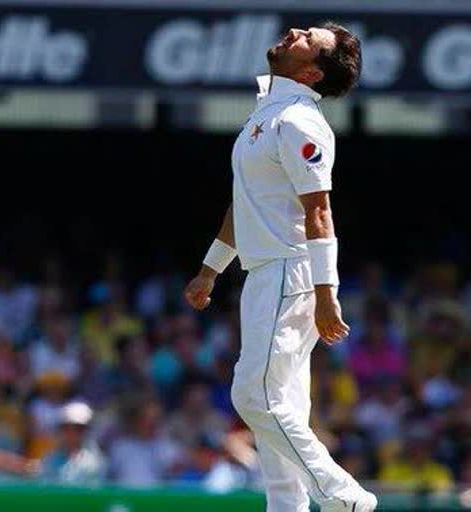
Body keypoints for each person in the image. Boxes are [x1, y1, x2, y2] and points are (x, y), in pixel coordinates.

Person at [183, 23, 377, 511]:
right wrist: (211, 269)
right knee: (280, 406)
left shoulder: (299, 121)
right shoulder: (266, 113)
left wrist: (325, 292)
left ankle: (342, 495)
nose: (294, 32)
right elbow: (242, 203)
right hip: (264, 273)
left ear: (312, 72)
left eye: (308, 38)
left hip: (290, 273)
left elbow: (319, 211)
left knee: (254, 396)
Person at [42, 402, 106, 485]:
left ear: (86, 431)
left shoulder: (96, 461)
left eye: (78, 429)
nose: (72, 433)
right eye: (66, 428)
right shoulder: (50, 459)